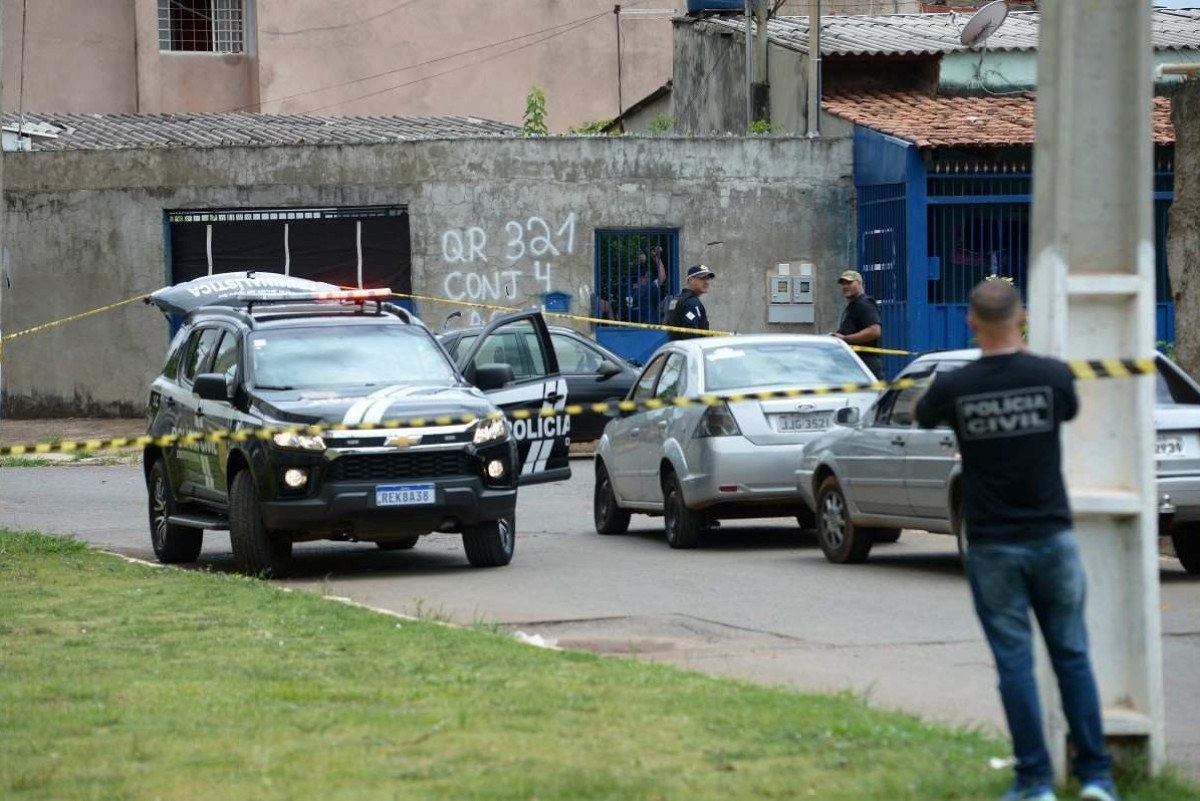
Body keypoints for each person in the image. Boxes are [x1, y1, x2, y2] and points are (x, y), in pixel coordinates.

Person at [915, 280, 1118, 801]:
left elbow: (923, 414)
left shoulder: (956, 385)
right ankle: (1095, 776)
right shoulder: (1050, 376)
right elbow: (1069, 410)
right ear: (1021, 316)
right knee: (1072, 655)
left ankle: (1034, 780)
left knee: (1015, 664)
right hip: (1053, 535)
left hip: (992, 542)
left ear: (970, 322)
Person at [832, 270, 884, 379]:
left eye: (849, 282)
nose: (845, 286)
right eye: (843, 283)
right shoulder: (854, 306)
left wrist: (845, 339)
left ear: (859, 283)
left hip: (866, 365)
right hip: (856, 364)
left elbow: (874, 331)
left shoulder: (864, 303)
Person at [665, 264, 714, 340]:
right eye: (702, 278)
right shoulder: (692, 303)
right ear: (691, 280)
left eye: (708, 279)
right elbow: (691, 335)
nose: (706, 282)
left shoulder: (677, 299)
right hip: (689, 349)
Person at [628, 245, 668, 324]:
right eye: (647, 277)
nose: (648, 279)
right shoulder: (647, 289)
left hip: (632, 329)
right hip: (649, 327)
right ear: (641, 278)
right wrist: (657, 258)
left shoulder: (627, 290)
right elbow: (662, 277)